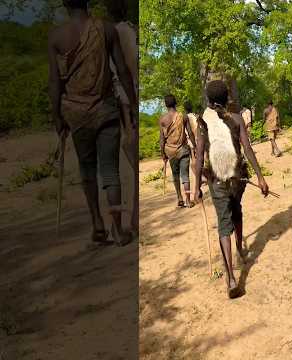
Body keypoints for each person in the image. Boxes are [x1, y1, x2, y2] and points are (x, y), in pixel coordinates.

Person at [48, 0, 137, 246]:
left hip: (76, 115)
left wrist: (57, 117)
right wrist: (134, 104)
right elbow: (122, 70)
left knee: (87, 170)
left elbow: (55, 83)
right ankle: (118, 230)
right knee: (110, 170)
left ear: (65, 4)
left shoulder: (57, 37)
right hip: (106, 111)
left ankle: (98, 225)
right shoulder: (107, 29)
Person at [194, 80, 270, 299]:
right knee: (236, 210)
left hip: (217, 181)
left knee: (224, 224)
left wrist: (197, 186)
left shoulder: (203, 124)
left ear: (209, 101)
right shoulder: (236, 119)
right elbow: (247, 148)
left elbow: (199, 156)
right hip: (238, 178)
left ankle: (231, 278)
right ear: (228, 98)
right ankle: (239, 248)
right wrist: (261, 177)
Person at [107, 0, 139, 235]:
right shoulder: (131, 30)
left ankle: (127, 223)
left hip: (122, 99)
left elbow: (118, 72)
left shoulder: (111, 34)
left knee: (128, 157)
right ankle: (130, 220)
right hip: (131, 95)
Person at [159, 94, 196, 208]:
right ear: (176, 103)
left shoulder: (163, 119)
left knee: (175, 176)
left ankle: (180, 199)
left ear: (166, 105)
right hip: (183, 150)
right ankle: (188, 201)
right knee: (185, 176)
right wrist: (195, 146)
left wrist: (163, 155)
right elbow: (190, 133)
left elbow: (161, 140)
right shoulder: (183, 116)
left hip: (170, 151)